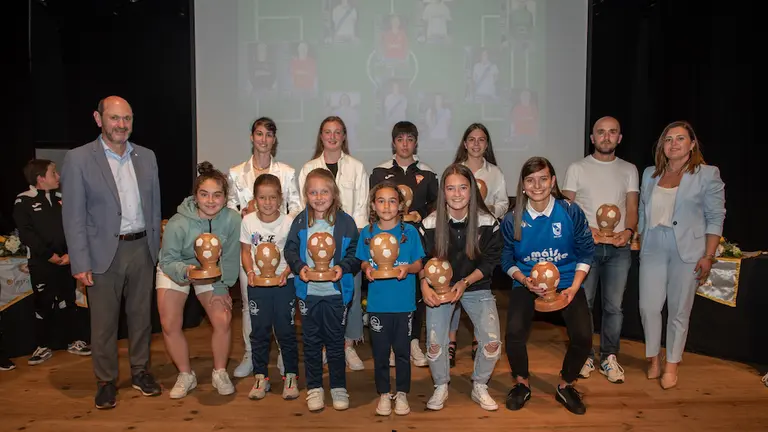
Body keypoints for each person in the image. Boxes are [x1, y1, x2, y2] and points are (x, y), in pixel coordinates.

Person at [61, 96, 162, 409]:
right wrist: (80, 260)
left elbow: (155, 205)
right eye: (115, 118)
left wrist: (156, 250)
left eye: (127, 118)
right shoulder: (78, 159)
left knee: (141, 318)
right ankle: (106, 381)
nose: (122, 125)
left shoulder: (147, 156)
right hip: (103, 252)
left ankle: (141, 371)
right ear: (98, 118)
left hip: (142, 248)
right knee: (103, 323)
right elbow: (73, 215)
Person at [500, 156, 594, 415]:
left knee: (584, 336)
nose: (537, 185)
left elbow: (586, 251)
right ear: (522, 185)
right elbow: (507, 258)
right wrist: (525, 280)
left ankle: (566, 385)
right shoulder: (512, 218)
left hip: (566, 282)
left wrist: (574, 287)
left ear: (553, 181)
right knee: (514, 334)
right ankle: (522, 384)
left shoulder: (569, 211)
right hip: (528, 284)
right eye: (530, 180)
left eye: (543, 179)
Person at [638, 121, 725, 389]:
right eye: (668, 139)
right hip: (653, 244)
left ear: (692, 144)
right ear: (662, 145)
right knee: (648, 306)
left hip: (687, 249)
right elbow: (643, 209)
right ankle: (654, 357)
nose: (673, 143)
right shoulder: (650, 173)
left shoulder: (707, 174)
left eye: (680, 138)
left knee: (678, 310)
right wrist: (641, 239)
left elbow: (715, 217)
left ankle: (672, 363)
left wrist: (708, 255)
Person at [562, 116, 638, 384]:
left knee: (614, 307)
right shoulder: (577, 168)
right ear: (592, 138)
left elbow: (631, 208)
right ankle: (585, 355)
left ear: (619, 138)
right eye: (601, 132)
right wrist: (585, 231)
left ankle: (609, 356)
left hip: (618, 249)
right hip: (586, 249)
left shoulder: (629, 169)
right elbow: (566, 208)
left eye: (612, 132)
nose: (606, 137)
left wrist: (628, 232)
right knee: (584, 305)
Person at [421, 164, 502, 412]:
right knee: (435, 344)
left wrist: (464, 282)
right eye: (451, 188)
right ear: (443, 192)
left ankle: (480, 384)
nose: (457, 194)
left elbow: (490, 262)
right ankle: (441, 385)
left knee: (492, 343)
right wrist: (424, 284)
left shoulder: (489, 222)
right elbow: (423, 260)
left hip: (475, 286)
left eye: (463, 188)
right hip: (439, 288)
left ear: (472, 191)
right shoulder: (430, 223)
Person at [157, 162, 240, 399]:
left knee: (222, 318)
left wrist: (222, 287)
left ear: (225, 198)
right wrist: (188, 271)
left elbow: (231, 258)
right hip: (178, 268)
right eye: (204, 194)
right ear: (195, 196)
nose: (210, 200)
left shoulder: (232, 220)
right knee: (169, 322)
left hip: (211, 272)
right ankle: (185, 374)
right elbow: (168, 260)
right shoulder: (177, 222)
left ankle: (220, 371)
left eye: (217, 195)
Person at [228, 117, 302, 378]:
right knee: (250, 306)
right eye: (259, 134)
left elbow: (296, 205)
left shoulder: (287, 171)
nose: (263, 140)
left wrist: (281, 221)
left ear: (274, 139)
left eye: (269, 135)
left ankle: (284, 355)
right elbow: (228, 208)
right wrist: (245, 212)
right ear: (252, 137)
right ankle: (250, 355)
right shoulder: (236, 173)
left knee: (284, 308)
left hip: (281, 247)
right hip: (250, 246)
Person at [284, 168, 362, 412]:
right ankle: (315, 387)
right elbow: (290, 250)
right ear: (306, 195)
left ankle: (338, 386)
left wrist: (342, 266)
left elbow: (355, 254)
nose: (319, 197)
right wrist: (299, 267)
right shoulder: (299, 220)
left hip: (336, 293)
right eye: (313, 192)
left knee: (336, 342)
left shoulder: (346, 222)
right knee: (311, 342)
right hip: (309, 293)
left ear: (334, 193)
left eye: (324, 191)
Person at [298, 116, 368, 371]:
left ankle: (348, 346)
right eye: (327, 132)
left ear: (344, 136)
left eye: (338, 132)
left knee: (350, 291)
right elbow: (301, 206)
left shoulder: (357, 167)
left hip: (348, 238)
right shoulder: (308, 168)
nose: (332, 136)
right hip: (316, 241)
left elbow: (361, 207)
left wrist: (353, 245)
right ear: (321, 136)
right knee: (321, 294)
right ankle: (327, 345)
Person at [369, 121, 438, 367]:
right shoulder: (379, 172)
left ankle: (412, 341)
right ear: (394, 142)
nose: (405, 144)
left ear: (415, 142)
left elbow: (436, 205)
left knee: (416, 289)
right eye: (400, 139)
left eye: (410, 139)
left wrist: (423, 216)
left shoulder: (428, 173)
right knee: (387, 286)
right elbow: (373, 205)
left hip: (416, 237)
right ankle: (389, 344)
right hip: (386, 239)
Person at [13, 159, 91, 366]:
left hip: (67, 261)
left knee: (69, 301)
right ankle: (43, 345)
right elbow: (27, 233)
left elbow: (77, 225)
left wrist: (71, 254)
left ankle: (74, 340)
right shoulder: (23, 201)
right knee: (43, 303)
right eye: (53, 173)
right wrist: (49, 255)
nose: (58, 177)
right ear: (40, 178)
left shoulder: (61, 198)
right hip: (42, 263)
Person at [356, 182, 425, 415]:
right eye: (381, 200)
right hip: (377, 304)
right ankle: (384, 393)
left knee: (403, 352)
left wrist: (407, 268)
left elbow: (418, 264)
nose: (387, 206)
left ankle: (402, 393)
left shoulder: (410, 233)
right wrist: (366, 268)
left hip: (404, 304)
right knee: (381, 352)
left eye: (392, 200)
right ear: (374, 205)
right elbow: (363, 261)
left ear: (400, 206)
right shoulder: (367, 233)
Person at [447, 123, 509, 366]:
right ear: (464, 143)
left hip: (482, 236)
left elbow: (503, 203)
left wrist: (485, 210)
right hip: (455, 234)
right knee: (452, 286)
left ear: (486, 144)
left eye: (481, 139)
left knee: (477, 287)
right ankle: (450, 342)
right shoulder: (455, 170)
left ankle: (477, 340)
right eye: (471, 139)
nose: (476, 144)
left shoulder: (495, 173)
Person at [240, 174, 299, 400]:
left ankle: (291, 375)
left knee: (285, 330)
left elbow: (293, 252)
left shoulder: (288, 222)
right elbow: (245, 252)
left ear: (281, 198)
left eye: (272, 197)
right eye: (262, 198)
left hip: (284, 283)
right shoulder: (248, 222)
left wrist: (287, 271)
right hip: (258, 285)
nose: (267, 202)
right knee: (260, 331)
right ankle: (260, 376)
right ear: (255, 199)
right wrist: (251, 272)